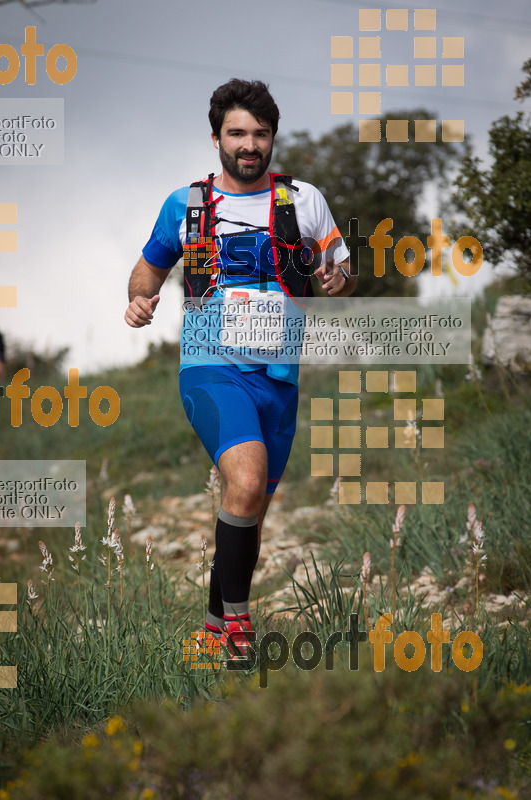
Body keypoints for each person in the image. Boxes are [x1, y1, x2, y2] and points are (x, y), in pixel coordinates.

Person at [125, 78, 356, 653]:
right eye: (237, 133)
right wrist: (139, 299)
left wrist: (336, 278)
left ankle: (212, 633)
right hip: (209, 366)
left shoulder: (304, 200)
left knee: (247, 508)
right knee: (246, 480)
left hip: (279, 379)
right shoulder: (186, 204)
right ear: (216, 138)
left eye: (260, 133)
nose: (249, 144)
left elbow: (344, 277)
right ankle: (238, 627)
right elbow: (147, 271)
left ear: (272, 138)